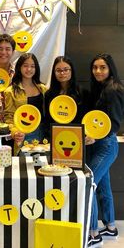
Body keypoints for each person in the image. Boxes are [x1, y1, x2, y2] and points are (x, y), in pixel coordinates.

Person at [86, 53, 124, 247]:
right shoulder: (103, 88)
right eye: (95, 67)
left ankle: (93, 233)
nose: (98, 71)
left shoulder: (113, 89)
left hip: (106, 145)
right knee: (103, 186)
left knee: (88, 184)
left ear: (110, 69)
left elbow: (115, 123)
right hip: (101, 145)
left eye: (102, 67)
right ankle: (110, 226)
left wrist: (96, 135)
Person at [4, 53, 47, 155]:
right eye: (25, 65)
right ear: (19, 67)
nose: (29, 69)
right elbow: (9, 117)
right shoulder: (10, 91)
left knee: (41, 166)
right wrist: (15, 132)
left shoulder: (43, 89)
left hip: (42, 134)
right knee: (24, 167)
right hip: (22, 134)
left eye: (32, 66)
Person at [44, 55, 90, 141]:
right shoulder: (49, 94)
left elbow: (86, 118)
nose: (62, 73)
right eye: (58, 70)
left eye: (66, 70)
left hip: (77, 138)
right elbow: (47, 120)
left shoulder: (83, 92)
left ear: (71, 71)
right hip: (56, 138)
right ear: (54, 73)